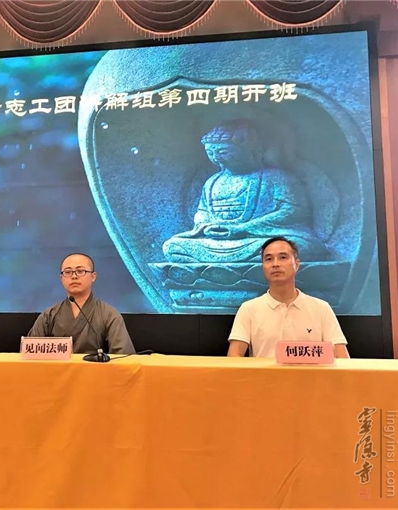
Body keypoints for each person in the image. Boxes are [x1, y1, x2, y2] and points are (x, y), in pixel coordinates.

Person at [162, 120, 329, 263]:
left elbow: (294, 212)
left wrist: (244, 228)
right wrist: (206, 226)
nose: (217, 158)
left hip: (259, 238)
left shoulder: (276, 178)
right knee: (173, 246)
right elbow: (202, 212)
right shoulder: (213, 182)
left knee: (296, 247)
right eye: (211, 153)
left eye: (223, 152)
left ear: (249, 150)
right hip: (217, 242)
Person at [227, 236, 349, 358]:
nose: (275, 264)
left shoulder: (321, 308)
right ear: (263, 267)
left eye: (283, 257)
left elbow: (342, 357)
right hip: (264, 372)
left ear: (296, 264)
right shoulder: (249, 309)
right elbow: (234, 355)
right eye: (269, 259)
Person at [27, 253, 135, 354]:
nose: (74, 276)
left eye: (80, 271)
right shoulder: (49, 315)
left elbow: (123, 357)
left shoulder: (109, 314)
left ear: (93, 276)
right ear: (61, 278)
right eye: (68, 272)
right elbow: (30, 353)